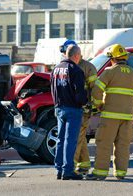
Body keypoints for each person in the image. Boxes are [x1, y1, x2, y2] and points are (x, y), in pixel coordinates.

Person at [86, 44, 133, 180]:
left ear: (113, 59)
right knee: (123, 146)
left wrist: (99, 105)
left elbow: (96, 90)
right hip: (127, 118)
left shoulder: (109, 72)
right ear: (125, 58)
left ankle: (100, 173)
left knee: (104, 144)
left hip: (109, 116)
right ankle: (120, 173)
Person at [59, 40, 97, 174]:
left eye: (66, 53)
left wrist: (92, 106)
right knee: (79, 137)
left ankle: (72, 168)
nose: (65, 56)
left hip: (83, 109)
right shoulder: (66, 66)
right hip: (72, 108)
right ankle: (85, 165)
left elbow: (95, 89)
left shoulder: (87, 67)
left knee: (75, 138)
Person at [51, 45, 87, 180]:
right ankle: (67, 170)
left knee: (60, 139)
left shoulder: (56, 69)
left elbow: (52, 88)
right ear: (76, 56)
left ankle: (58, 169)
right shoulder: (75, 70)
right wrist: (85, 101)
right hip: (73, 109)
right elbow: (80, 94)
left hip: (59, 108)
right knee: (70, 140)